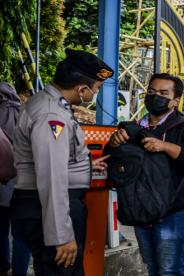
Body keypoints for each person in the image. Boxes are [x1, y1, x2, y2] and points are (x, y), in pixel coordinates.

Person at [11, 49, 113, 276]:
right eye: (96, 88)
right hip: (47, 208)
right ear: (81, 89)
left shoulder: (50, 104)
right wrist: (61, 236)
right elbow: (50, 178)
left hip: (41, 206)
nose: (94, 94)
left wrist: (85, 166)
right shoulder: (52, 115)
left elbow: (53, 159)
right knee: (63, 271)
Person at [106, 73, 184, 276]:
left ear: (175, 101)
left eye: (163, 93)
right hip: (142, 207)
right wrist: (113, 145)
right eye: (152, 92)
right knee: (152, 268)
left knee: (170, 270)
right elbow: (114, 163)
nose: (156, 97)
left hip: (175, 210)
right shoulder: (133, 129)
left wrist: (165, 146)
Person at [0, 83, 31, 276]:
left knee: (1, 230)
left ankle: (3, 266)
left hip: (1, 186)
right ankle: (19, 272)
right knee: (21, 236)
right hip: (24, 187)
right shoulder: (26, 114)